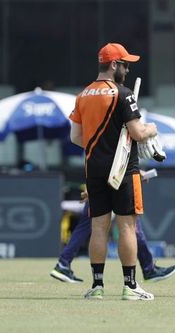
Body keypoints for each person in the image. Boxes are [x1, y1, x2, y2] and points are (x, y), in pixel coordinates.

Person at [69, 42, 158, 301]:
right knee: (127, 227)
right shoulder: (123, 93)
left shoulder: (83, 95)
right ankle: (130, 287)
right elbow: (138, 133)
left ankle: (97, 286)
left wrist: (102, 143)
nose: (128, 70)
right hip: (123, 169)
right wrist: (151, 128)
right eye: (125, 64)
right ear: (114, 65)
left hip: (93, 168)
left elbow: (76, 136)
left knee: (99, 227)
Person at [50, 184, 175, 284]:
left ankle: (66, 264)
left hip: (100, 181)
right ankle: (148, 270)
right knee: (130, 227)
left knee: (89, 227)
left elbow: (93, 158)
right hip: (115, 182)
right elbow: (116, 158)